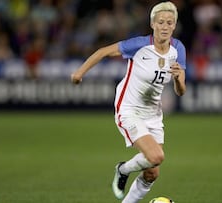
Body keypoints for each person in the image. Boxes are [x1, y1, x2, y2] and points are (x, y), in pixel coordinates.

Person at [70, 2, 186, 203]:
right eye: (161, 22)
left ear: (174, 26)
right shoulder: (140, 45)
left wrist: (177, 78)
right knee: (157, 156)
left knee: (152, 173)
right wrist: (80, 73)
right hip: (129, 109)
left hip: (153, 114)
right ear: (152, 24)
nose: (165, 27)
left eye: (169, 22)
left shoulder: (178, 49)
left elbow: (180, 91)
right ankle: (122, 169)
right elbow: (103, 51)